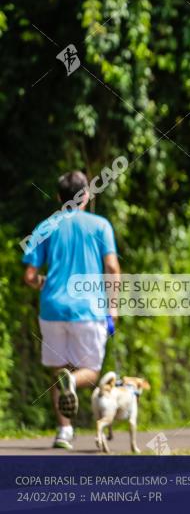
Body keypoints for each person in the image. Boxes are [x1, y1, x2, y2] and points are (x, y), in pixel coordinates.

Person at [22, 171, 120, 449]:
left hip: (52, 308)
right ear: (86, 196)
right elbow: (112, 268)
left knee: (58, 369)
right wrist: (113, 307)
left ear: (58, 197)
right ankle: (74, 382)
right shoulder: (100, 226)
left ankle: (64, 432)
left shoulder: (45, 227)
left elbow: (30, 276)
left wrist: (46, 284)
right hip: (88, 308)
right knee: (89, 369)